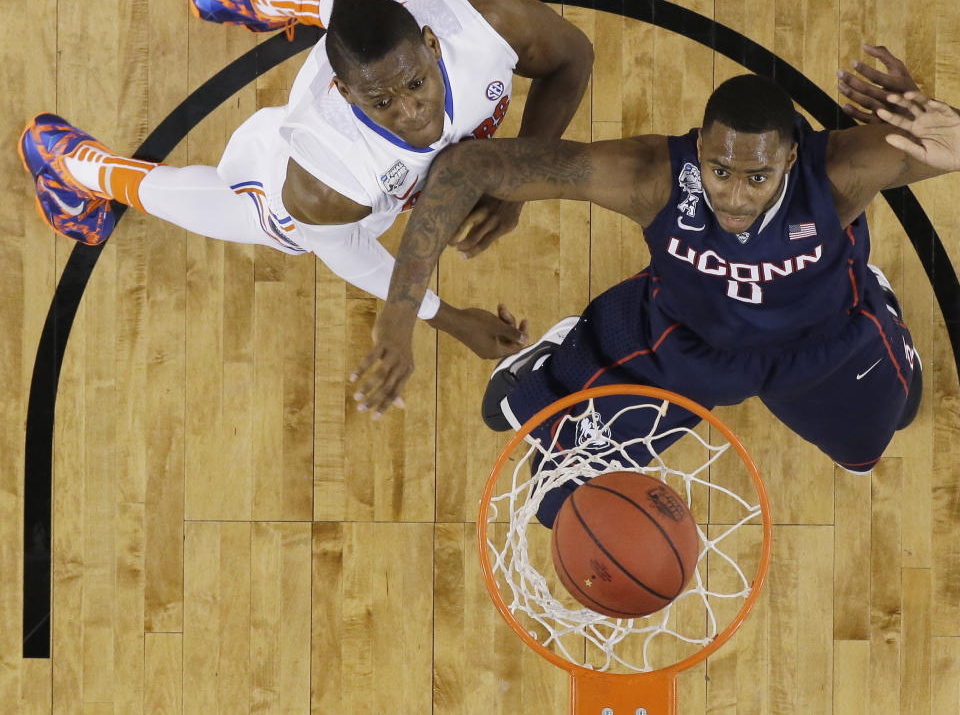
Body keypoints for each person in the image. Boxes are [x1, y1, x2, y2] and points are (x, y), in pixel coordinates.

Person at [350, 72, 960, 522]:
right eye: (721, 171)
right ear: (700, 153)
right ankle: (567, 352)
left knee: (875, 443)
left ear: (791, 158)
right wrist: (401, 319)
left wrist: (952, 127)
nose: (737, 198)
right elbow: (464, 170)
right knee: (557, 498)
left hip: (816, 345)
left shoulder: (842, 171)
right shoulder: (649, 177)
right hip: (682, 341)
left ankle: (873, 300)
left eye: (758, 177)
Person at [19, 0, 595, 363]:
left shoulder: (481, 21)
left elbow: (572, 56)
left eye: (417, 82)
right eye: (383, 102)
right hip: (292, 170)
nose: (413, 111)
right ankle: (75, 165)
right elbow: (356, 258)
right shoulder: (324, 179)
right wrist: (449, 317)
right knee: (247, 216)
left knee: (372, 12)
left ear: (433, 42)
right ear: (347, 95)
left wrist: (517, 179)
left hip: (403, 32)